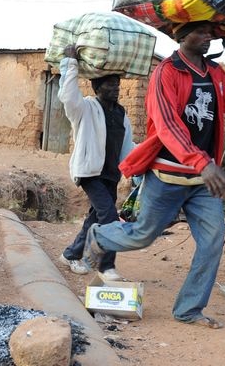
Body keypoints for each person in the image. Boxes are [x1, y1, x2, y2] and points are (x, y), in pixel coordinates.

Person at [82, 21, 225, 329]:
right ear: (181, 36)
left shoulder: (215, 74)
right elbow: (168, 126)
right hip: (167, 176)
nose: (207, 37)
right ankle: (99, 235)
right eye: (200, 31)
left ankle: (189, 309)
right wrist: (202, 162)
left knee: (211, 243)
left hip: (201, 182)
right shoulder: (165, 74)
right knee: (143, 235)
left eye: (211, 31)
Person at [57, 45, 137, 282]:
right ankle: (107, 266)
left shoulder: (122, 114)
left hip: (112, 174)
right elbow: (68, 96)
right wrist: (70, 63)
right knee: (109, 217)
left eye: (117, 84)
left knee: (94, 218)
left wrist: (146, 160)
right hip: (90, 173)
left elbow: (128, 146)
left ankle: (71, 254)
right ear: (96, 86)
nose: (115, 88)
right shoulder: (85, 108)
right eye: (109, 84)